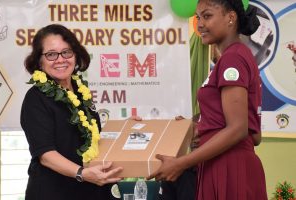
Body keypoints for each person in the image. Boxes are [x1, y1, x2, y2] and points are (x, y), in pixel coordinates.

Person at [148, 0, 268, 199]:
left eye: (207, 15)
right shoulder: (234, 56)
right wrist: (199, 126)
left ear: (231, 17)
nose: (200, 24)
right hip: (223, 163)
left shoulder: (233, 59)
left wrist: (181, 163)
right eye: (197, 17)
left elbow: (238, 129)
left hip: (229, 168)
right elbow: (252, 133)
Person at [21, 24, 123, 200]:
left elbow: (91, 139)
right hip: (54, 192)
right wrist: (82, 173)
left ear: (75, 55)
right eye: (51, 54)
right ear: (39, 60)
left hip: (90, 190)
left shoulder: (79, 90)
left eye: (66, 52)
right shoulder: (35, 98)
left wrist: (129, 128)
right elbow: (46, 155)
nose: (60, 60)